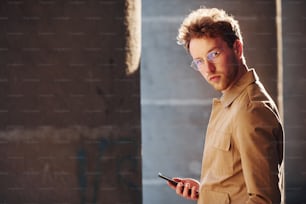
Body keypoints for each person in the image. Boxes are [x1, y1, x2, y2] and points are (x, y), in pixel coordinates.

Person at [166, 7, 284, 204]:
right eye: (199, 61)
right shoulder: (232, 103)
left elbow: (265, 200)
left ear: (237, 48)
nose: (208, 68)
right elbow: (239, 185)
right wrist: (208, 191)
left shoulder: (250, 110)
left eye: (214, 54)